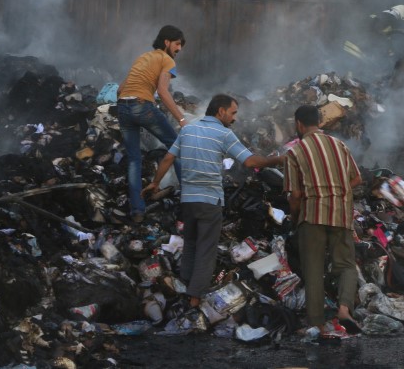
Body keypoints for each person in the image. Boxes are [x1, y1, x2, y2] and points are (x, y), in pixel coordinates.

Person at [141, 94, 282, 308]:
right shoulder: (224, 134)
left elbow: (169, 158)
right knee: (206, 250)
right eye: (233, 113)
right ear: (221, 111)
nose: (234, 118)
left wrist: (155, 183)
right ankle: (194, 300)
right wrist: (279, 159)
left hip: (188, 200)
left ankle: (184, 286)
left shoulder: (188, 130)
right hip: (209, 201)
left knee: (190, 243)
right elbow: (251, 161)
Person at [284, 104, 363, 335]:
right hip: (341, 214)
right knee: (347, 264)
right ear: (319, 122)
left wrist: (295, 218)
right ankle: (345, 309)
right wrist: (338, 192)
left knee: (314, 269)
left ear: (299, 124)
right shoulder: (340, 145)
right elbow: (357, 178)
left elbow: (295, 195)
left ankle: (317, 323)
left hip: (312, 215)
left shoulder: (295, 152)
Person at [116, 25, 188, 222]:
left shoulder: (143, 57)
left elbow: (121, 89)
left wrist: (127, 108)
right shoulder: (167, 60)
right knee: (177, 147)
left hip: (123, 106)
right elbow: (163, 91)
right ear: (167, 42)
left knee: (134, 159)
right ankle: (189, 203)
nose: (179, 48)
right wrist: (182, 119)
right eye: (177, 43)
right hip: (142, 106)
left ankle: (137, 211)